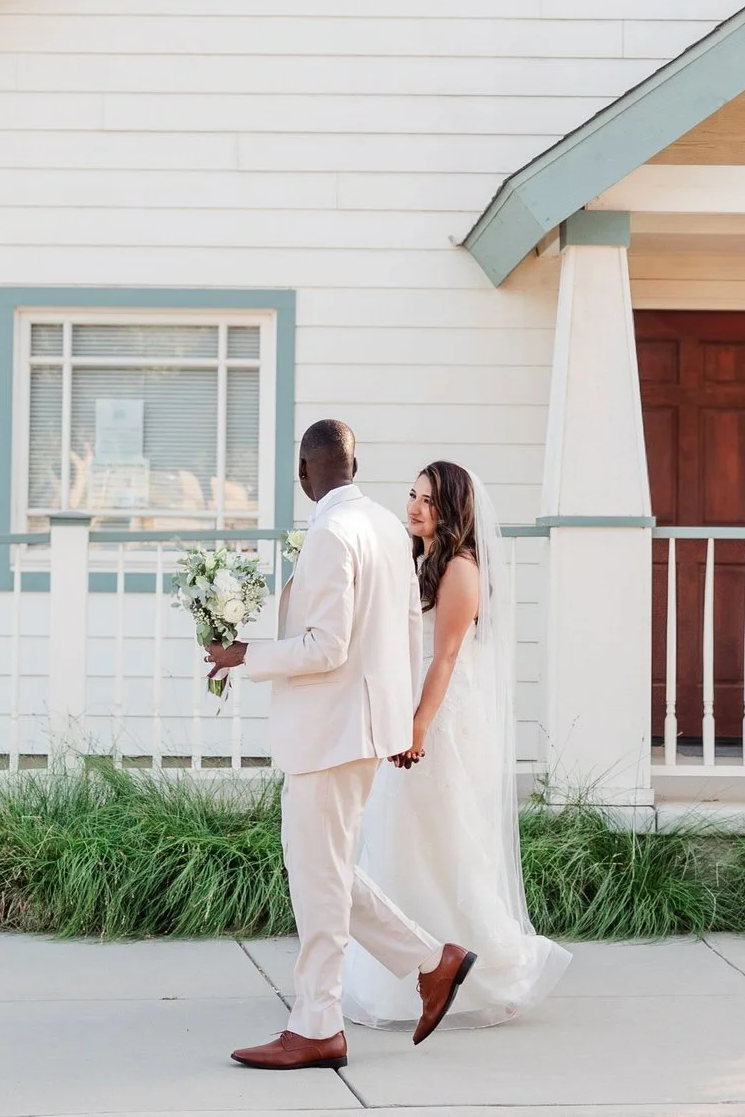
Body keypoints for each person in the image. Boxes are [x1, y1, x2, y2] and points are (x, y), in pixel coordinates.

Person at [204, 419, 476, 1070]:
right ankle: (431, 961)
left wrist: (246, 653)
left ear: (305, 469)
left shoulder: (330, 531)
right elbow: (406, 627)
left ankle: (318, 1024)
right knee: (320, 865)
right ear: (353, 463)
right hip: (363, 725)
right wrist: (395, 717)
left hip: (329, 731)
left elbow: (326, 645)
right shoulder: (384, 523)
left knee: (316, 875)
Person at [343, 460, 569, 1031]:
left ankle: (491, 968)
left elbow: (444, 658)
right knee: (403, 837)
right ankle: (416, 970)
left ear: (452, 509)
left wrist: (417, 728)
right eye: (412, 495)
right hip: (417, 712)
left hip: (441, 721)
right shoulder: (421, 559)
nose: (414, 507)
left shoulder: (462, 569)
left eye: (428, 500)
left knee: (446, 840)